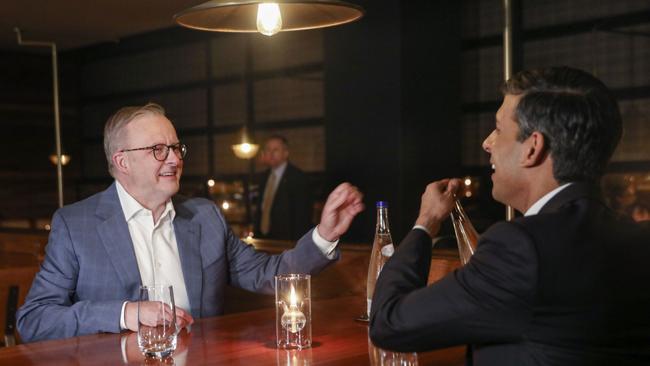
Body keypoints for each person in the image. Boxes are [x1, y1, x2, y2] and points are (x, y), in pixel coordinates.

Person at [369, 67, 650, 365]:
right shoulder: (639, 239)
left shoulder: (522, 247)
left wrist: (425, 223)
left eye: (499, 129)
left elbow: (389, 323)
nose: (487, 143)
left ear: (532, 148)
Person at [17, 103, 364, 342]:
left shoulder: (205, 217)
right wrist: (126, 314)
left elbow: (269, 274)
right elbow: (34, 320)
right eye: (158, 149)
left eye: (176, 147)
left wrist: (324, 234)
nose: (174, 158)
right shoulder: (76, 225)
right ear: (122, 161)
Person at [254, 135, 312, 240]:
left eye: (275, 150)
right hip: (263, 240)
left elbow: (302, 216)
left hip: (287, 241)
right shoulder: (263, 177)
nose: (271, 154)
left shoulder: (298, 177)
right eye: (268, 150)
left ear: (286, 153)